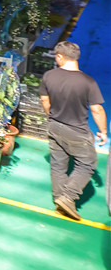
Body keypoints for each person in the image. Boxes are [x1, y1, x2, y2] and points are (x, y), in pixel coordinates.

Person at [39, 41, 106, 220]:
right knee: (87, 163)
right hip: (77, 130)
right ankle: (68, 197)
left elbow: (45, 101)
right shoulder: (88, 82)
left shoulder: (49, 76)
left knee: (58, 165)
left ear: (60, 57)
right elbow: (97, 109)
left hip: (54, 125)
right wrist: (103, 131)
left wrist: (51, 116)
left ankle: (59, 199)